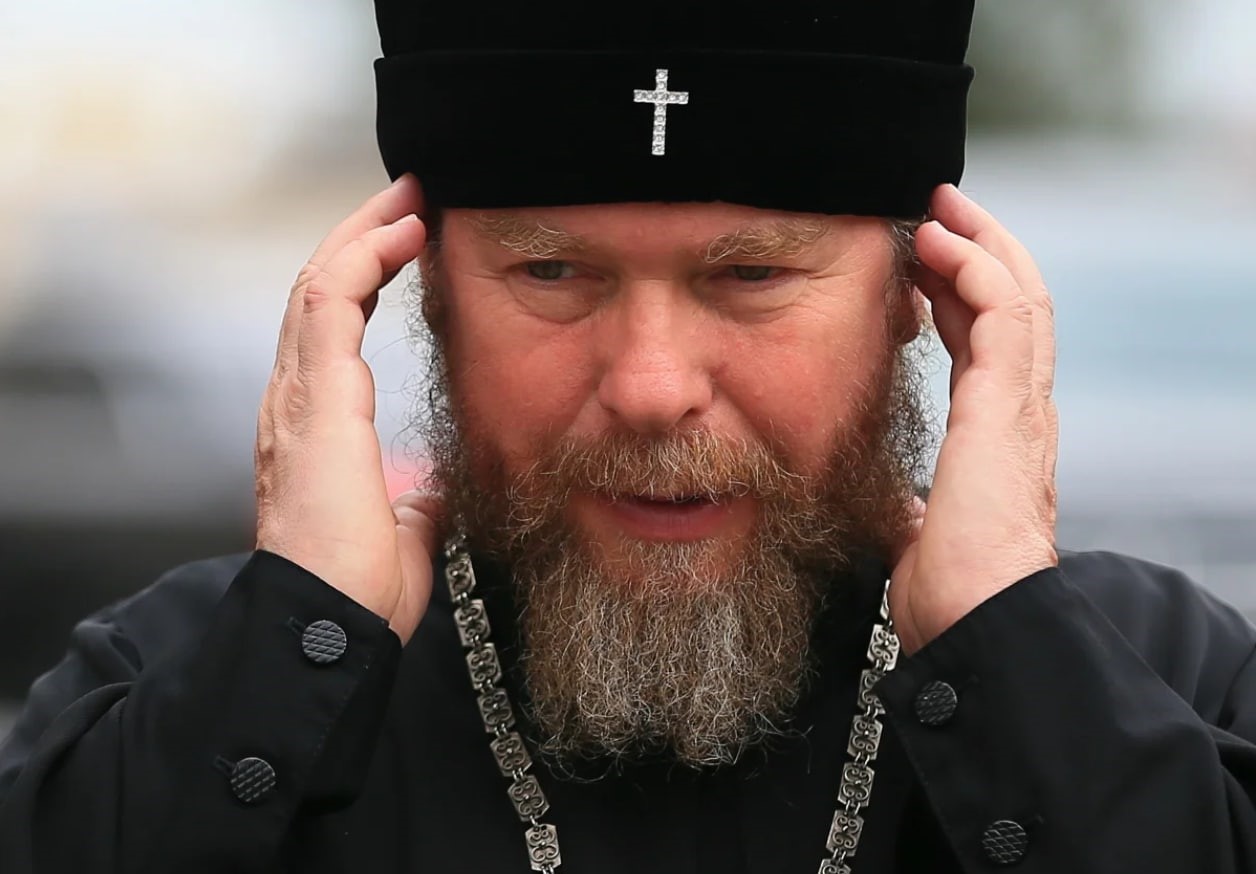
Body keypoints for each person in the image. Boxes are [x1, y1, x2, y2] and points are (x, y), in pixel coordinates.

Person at [3, 0, 1256, 871]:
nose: (651, 388)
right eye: (551, 273)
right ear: (426, 295)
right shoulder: (190, 681)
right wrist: (296, 645)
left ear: (910, 300)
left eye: (751, 276)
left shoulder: (1164, 677)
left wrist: (1008, 649)